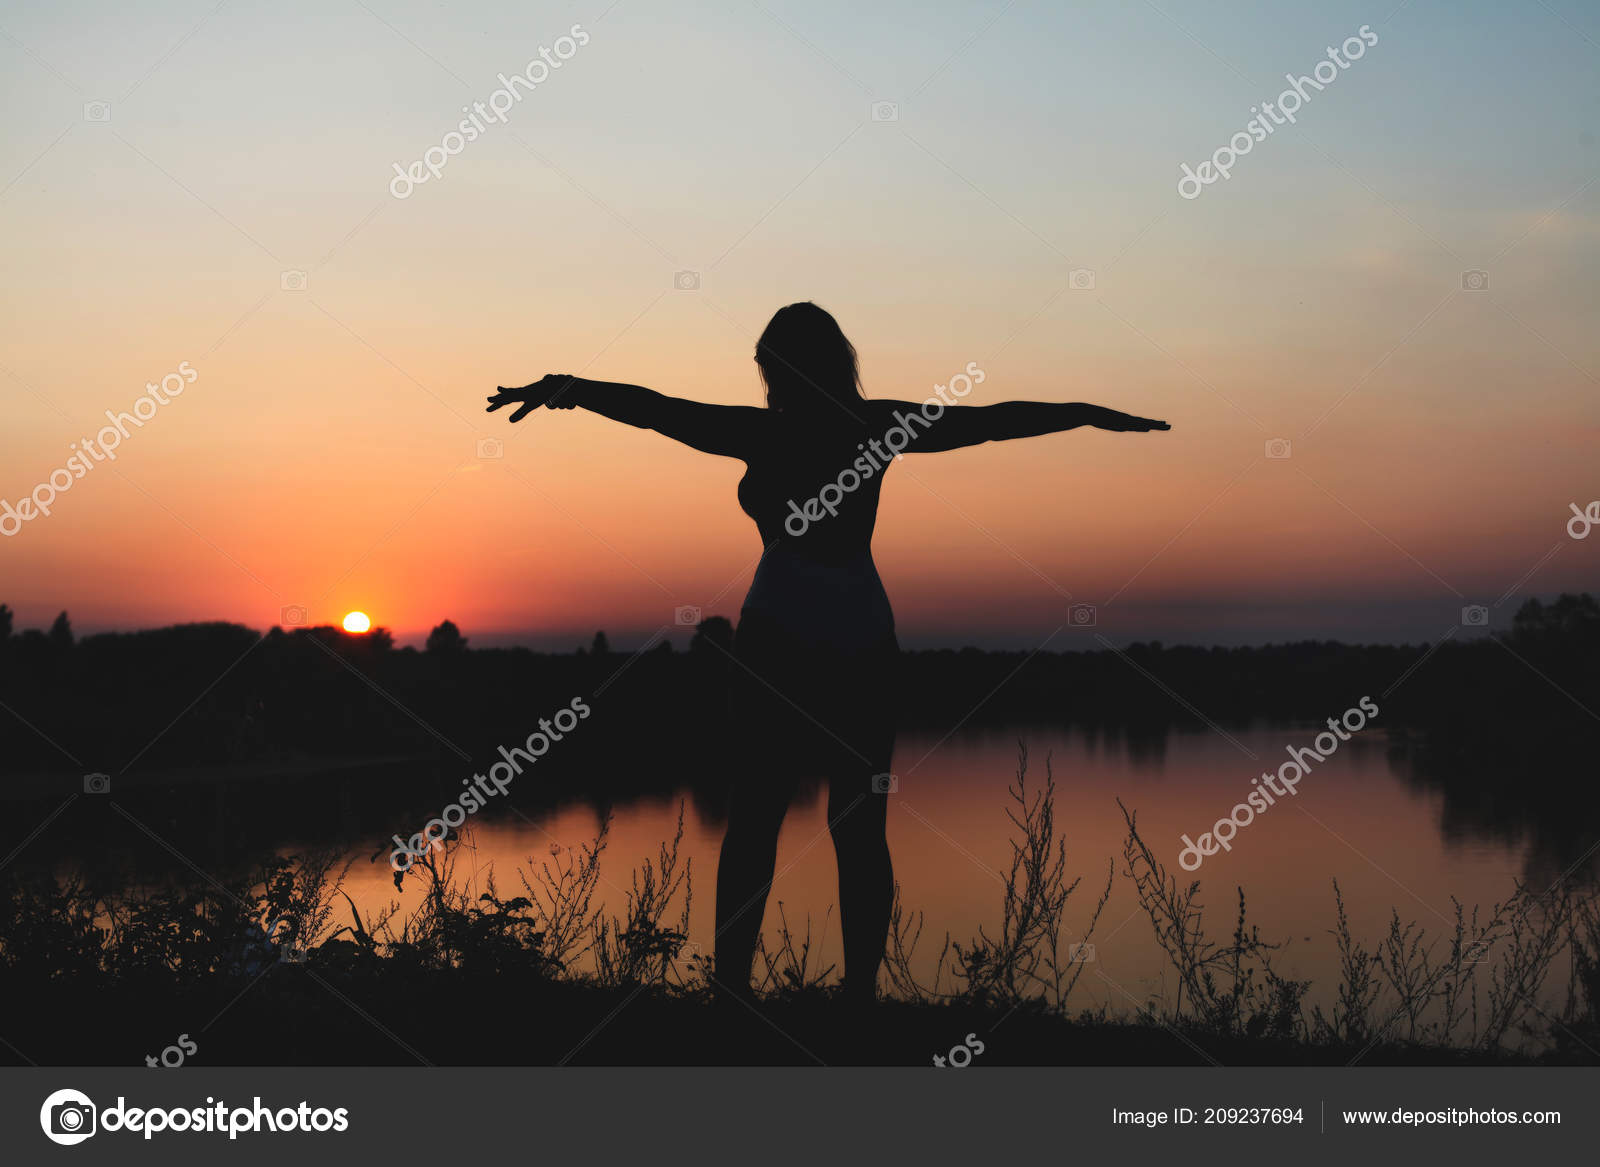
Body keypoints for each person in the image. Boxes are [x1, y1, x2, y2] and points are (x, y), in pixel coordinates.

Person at [487, 301, 1169, 1001]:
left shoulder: (771, 432)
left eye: (768, 367)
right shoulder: (870, 427)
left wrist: (569, 388)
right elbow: (989, 420)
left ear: (782, 368)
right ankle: (855, 1000)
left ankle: (738, 993)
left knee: (759, 818)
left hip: (784, 635)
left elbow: (659, 410)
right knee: (854, 823)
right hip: (857, 636)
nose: (766, 379)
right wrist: (1085, 410)